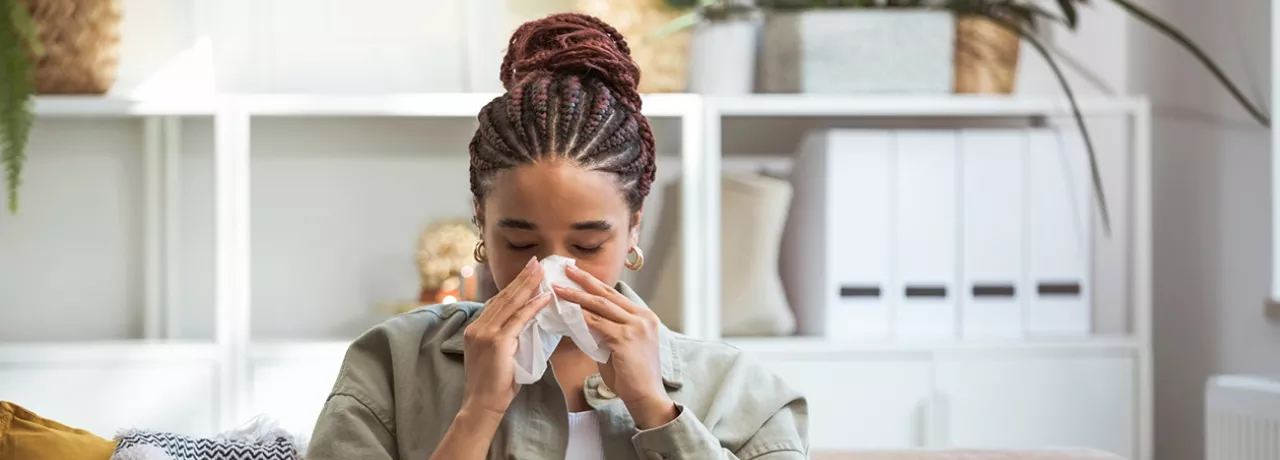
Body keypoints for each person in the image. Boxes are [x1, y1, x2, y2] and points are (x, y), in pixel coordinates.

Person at [307, 13, 808, 460]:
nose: (552, 273)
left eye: (588, 246)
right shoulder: (392, 367)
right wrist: (477, 413)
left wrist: (656, 410)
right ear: (481, 222)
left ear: (634, 225)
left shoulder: (737, 391)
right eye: (520, 244)